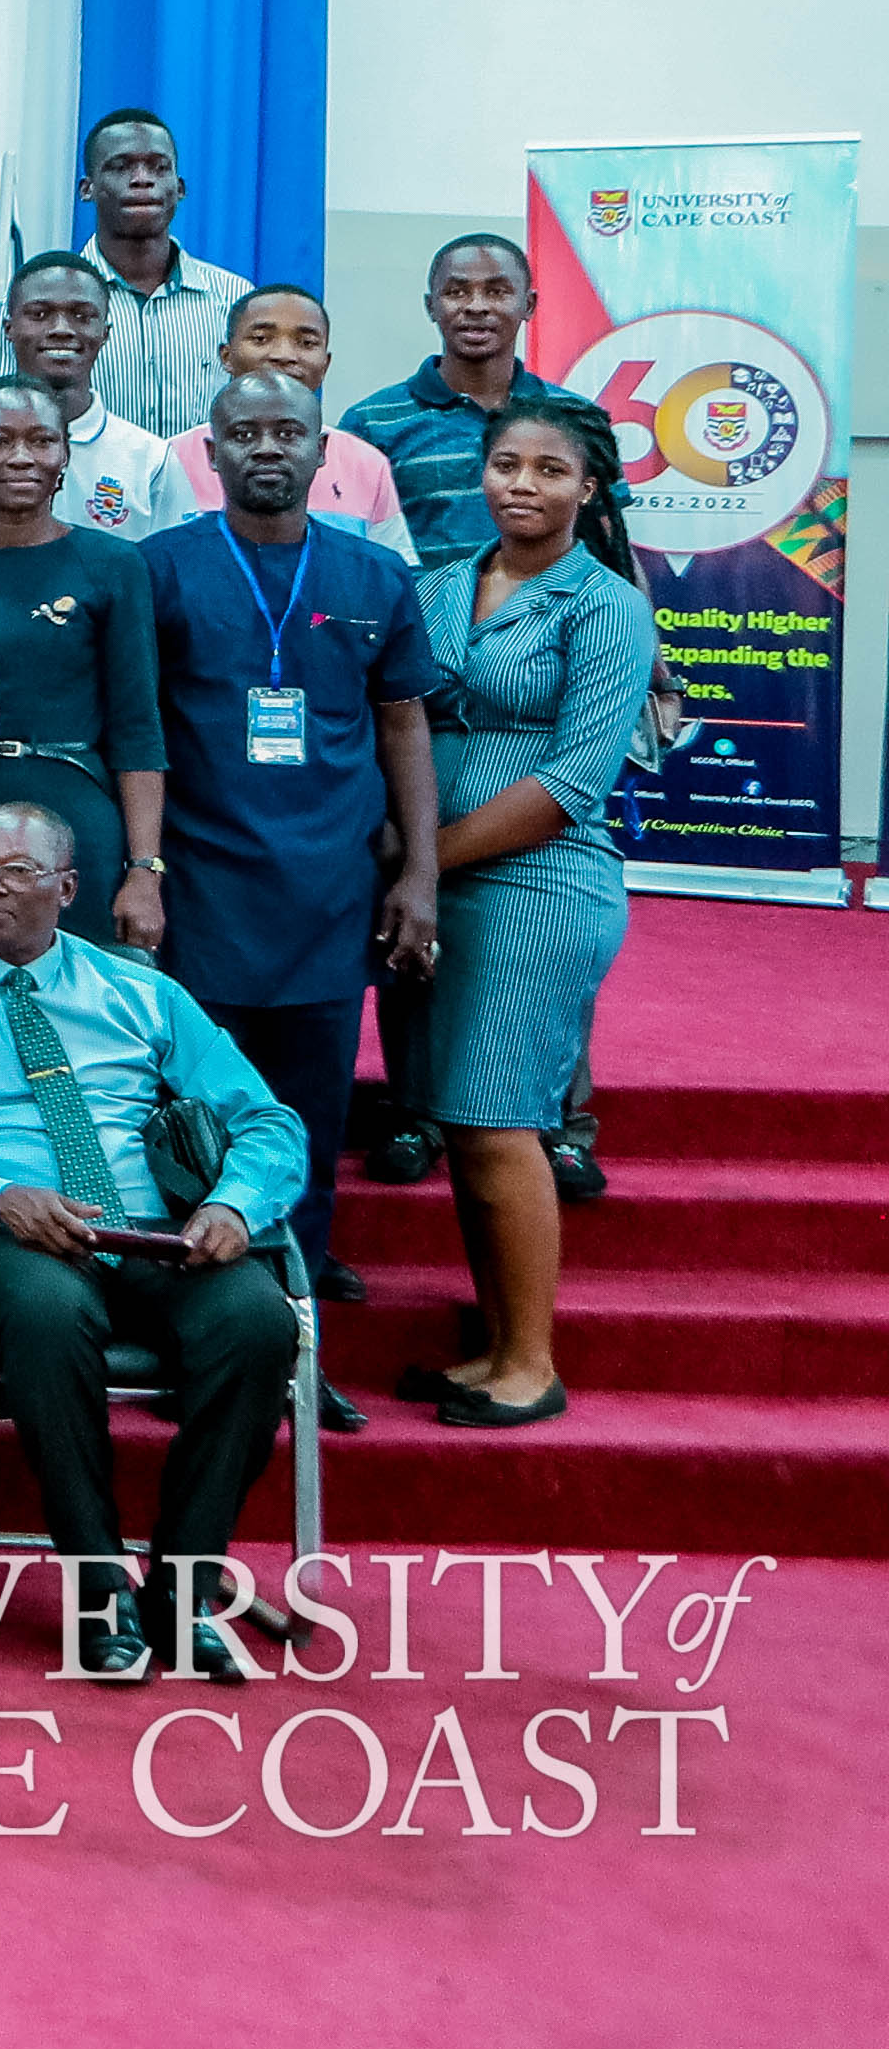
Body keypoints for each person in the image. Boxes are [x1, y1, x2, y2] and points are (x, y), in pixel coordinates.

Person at [0, 801, 308, 1675]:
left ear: (66, 887)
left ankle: (179, 1591)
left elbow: (267, 1120)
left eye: (15, 873)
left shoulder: (140, 992)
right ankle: (101, 1592)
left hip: (151, 1227)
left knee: (256, 1323)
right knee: (51, 1318)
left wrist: (238, 1205)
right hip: (11, 1228)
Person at [144, 370, 439, 1329]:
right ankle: (198, 1320)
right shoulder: (159, 568)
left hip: (327, 891)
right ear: (211, 451)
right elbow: (137, 733)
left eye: (288, 433)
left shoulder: (376, 577)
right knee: (195, 1110)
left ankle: (291, 1328)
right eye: (244, 433)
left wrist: (422, 873)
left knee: (311, 1116)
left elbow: (404, 728)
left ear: (324, 454)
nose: (266, 448)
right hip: (200, 887)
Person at [406, 406, 648, 1429]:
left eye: (551, 469)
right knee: (464, 1121)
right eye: (507, 464)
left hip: (538, 885)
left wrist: (424, 862)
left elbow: (572, 779)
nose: (524, 484)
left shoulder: (605, 605)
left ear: (588, 490)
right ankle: (495, 1345)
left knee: (502, 1119)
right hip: (434, 888)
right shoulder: (437, 583)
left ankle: (530, 1363)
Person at [0, 377, 170, 944]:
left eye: (41, 441)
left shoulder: (112, 564)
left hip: (74, 812)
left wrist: (144, 870)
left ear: (65, 454)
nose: (21, 458)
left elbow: (137, 726)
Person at [342, 234, 630, 565]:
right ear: (430, 306)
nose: (476, 306)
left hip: (553, 614)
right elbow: (352, 554)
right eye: (456, 292)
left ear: (528, 305)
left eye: (497, 292)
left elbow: (614, 546)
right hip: (424, 615)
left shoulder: (575, 418)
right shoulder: (372, 423)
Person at [0, 254, 187, 544]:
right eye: (39, 315)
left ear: (105, 332)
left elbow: (168, 577)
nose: (61, 330)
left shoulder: (150, 460)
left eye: (82, 316)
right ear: (8, 328)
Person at [162, 283, 413, 554]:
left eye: (306, 343)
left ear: (325, 364)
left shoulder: (366, 462)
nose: (283, 355)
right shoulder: (171, 459)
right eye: (261, 339)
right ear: (227, 356)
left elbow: (391, 572)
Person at [72, 108, 252, 440]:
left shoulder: (235, 298)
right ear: (87, 189)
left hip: (203, 489)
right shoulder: (42, 301)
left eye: (158, 167)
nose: (142, 178)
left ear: (179, 188)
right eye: (120, 167)